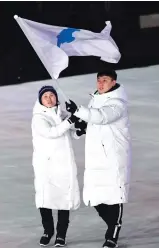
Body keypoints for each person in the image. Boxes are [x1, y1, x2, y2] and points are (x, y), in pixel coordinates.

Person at [66, 69, 131, 248]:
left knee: (114, 194)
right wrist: (82, 127)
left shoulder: (118, 103)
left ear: (113, 82)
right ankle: (112, 224)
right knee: (95, 197)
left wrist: (79, 110)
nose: (101, 84)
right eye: (98, 80)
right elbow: (94, 121)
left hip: (113, 157)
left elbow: (102, 117)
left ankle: (113, 233)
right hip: (96, 157)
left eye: (105, 80)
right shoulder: (95, 100)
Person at [31, 85, 84, 247]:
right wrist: (71, 120)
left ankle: (61, 235)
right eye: (45, 96)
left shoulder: (60, 115)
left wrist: (79, 132)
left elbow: (66, 134)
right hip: (46, 165)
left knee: (64, 199)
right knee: (45, 198)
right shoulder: (39, 118)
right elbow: (52, 133)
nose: (49, 98)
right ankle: (48, 231)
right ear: (40, 100)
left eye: (52, 95)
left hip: (63, 165)